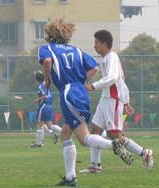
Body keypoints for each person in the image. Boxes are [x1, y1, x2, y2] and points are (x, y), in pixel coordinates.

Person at [38, 18, 133, 187]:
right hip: (80, 92)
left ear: (49, 35)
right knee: (65, 133)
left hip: (68, 93)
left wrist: (47, 80)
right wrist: (81, 83)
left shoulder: (46, 48)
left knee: (83, 138)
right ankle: (70, 178)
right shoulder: (76, 50)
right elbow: (94, 68)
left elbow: (47, 61)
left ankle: (114, 144)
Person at [80, 29, 153, 173]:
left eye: (97, 43)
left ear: (105, 44)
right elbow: (121, 81)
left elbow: (113, 78)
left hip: (112, 101)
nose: (95, 46)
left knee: (114, 135)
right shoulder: (107, 58)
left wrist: (93, 86)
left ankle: (145, 153)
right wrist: (126, 101)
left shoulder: (111, 57)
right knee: (95, 130)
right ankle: (95, 165)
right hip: (105, 99)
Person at [30, 70, 61, 147]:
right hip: (49, 106)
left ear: (37, 80)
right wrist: (37, 73)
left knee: (39, 124)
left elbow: (44, 96)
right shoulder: (46, 84)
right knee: (49, 125)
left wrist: (36, 100)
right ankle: (63, 132)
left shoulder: (40, 86)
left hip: (43, 106)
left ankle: (39, 143)